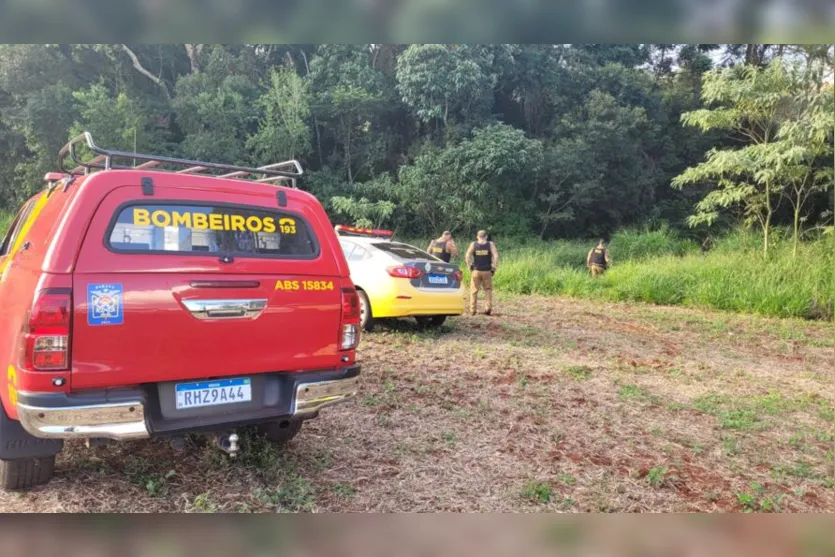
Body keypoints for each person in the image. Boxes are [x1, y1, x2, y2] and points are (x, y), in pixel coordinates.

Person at [465, 230, 499, 316]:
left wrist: (469, 266)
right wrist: (494, 267)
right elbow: (495, 255)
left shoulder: (473, 244)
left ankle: (473, 310)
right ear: (486, 236)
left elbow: (467, 255)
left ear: (477, 236)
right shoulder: (490, 244)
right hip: (487, 271)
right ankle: (488, 308)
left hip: (476, 270)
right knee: (488, 290)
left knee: (474, 290)